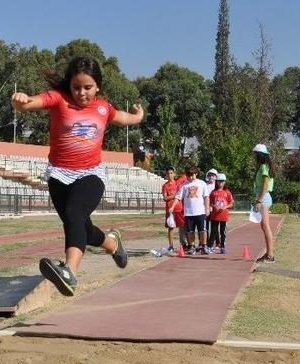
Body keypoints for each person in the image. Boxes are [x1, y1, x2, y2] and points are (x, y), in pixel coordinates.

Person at [11, 56, 144, 296]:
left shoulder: (103, 107)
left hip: (90, 174)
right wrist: (21, 101)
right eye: (76, 87)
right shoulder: (58, 99)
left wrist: (138, 116)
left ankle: (69, 272)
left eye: (88, 87)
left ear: (98, 86)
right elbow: (32, 102)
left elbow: (124, 119)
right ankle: (112, 243)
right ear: (69, 85)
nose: (81, 93)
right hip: (59, 175)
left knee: (74, 215)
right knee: (81, 226)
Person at [168, 165, 210, 254]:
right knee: (190, 232)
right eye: (189, 175)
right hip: (188, 213)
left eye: (192, 175)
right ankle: (191, 246)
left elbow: (206, 197)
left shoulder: (202, 183)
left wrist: (207, 209)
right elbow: (178, 197)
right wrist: (172, 206)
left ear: (196, 174)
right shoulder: (184, 185)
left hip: (200, 212)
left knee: (203, 231)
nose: (191, 177)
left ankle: (204, 246)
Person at [252, 144, 276, 262]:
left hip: (264, 198)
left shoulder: (263, 167)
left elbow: (265, 185)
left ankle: (270, 255)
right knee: (264, 226)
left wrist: (259, 200)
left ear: (259, 155)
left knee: (266, 226)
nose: (253, 156)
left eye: (254, 154)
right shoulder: (263, 166)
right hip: (263, 197)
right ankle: (268, 253)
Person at [160, 166, 185, 253]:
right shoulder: (165, 186)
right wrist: (174, 196)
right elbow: (165, 198)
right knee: (171, 227)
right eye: (168, 173)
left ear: (174, 174)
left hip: (179, 208)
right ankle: (171, 245)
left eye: (171, 173)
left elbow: (185, 176)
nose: (170, 175)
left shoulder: (178, 184)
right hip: (170, 209)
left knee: (182, 226)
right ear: (166, 175)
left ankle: (183, 244)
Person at [209, 173, 234, 254]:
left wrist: (225, 207)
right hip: (214, 216)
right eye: (219, 181)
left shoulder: (227, 192)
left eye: (222, 181)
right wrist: (214, 206)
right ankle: (210, 247)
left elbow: (231, 203)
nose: (220, 183)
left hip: (223, 216)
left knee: (222, 232)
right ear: (216, 182)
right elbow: (210, 202)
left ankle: (222, 247)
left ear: (225, 182)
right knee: (213, 231)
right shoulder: (213, 192)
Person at [203, 168, 218, 252]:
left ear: (216, 177)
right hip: (206, 209)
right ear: (207, 176)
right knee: (206, 227)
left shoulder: (217, 185)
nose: (211, 177)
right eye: (210, 175)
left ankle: (216, 243)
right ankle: (206, 243)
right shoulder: (205, 185)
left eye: (213, 175)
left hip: (215, 210)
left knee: (214, 227)